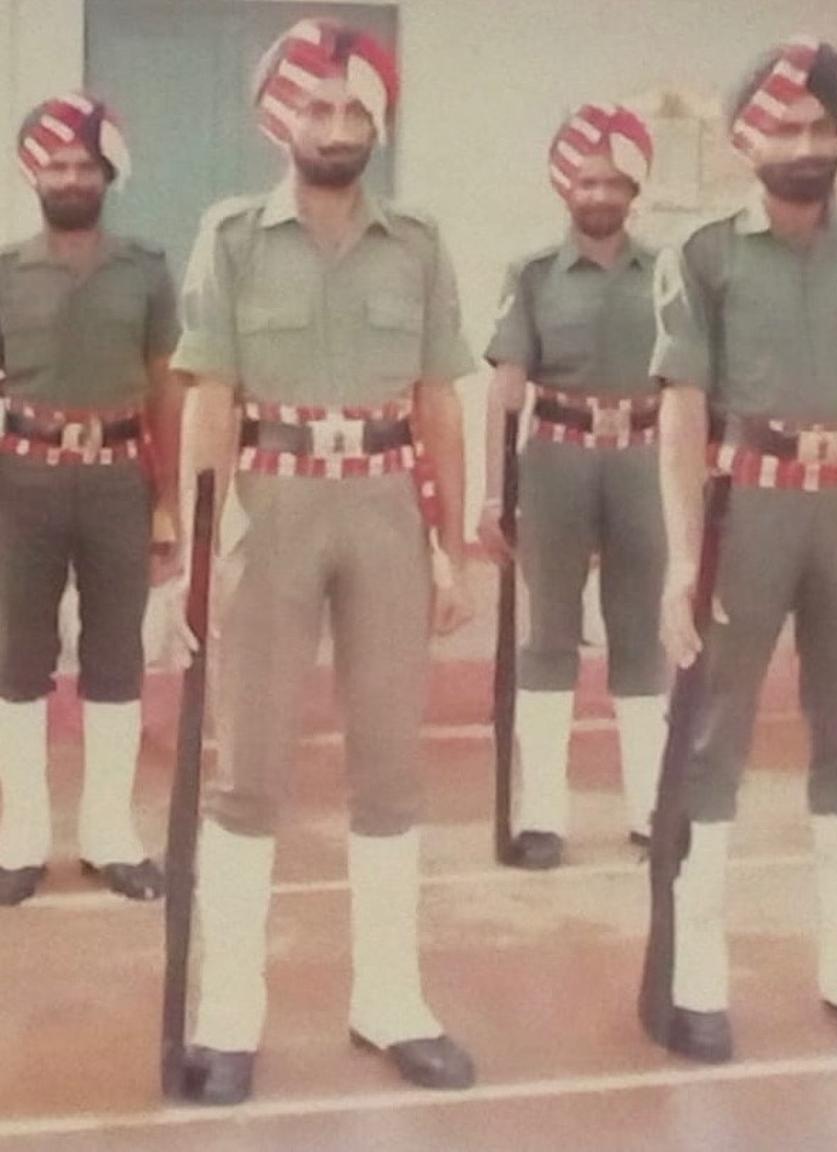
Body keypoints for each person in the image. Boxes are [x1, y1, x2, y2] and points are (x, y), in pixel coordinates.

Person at [171, 18, 476, 1105]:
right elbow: (210, 399)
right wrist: (196, 556)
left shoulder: (420, 243)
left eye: (355, 110)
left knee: (389, 767)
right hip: (272, 507)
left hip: (387, 509)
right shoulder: (232, 238)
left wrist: (454, 547)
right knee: (246, 772)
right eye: (318, 106)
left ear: (377, 125)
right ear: (281, 118)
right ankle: (228, 1017)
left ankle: (390, 1000)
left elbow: (440, 403)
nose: (337, 126)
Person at [652, 36, 837, 1062]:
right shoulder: (704, 255)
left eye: (824, 127)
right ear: (748, 140)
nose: (808, 145)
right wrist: (681, 556)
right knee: (714, 739)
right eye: (787, 127)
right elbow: (682, 410)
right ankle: (696, 981)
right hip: (748, 509)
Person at [0, 93, 182, 905]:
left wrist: (167, 500)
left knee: (116, 656)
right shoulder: (6, 272)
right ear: (34, 174)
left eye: (85, 166)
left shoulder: (145, 270)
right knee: (17, 659)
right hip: (22, 481)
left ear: (107, 176)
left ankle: (110, 837)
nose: (71, 178)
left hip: (118, 479)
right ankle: (19, 840)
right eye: (57, 166)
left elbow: (166, 388)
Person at [478, 105, 667, 870]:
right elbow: (505, 390)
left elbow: (692, 386)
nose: (599, 194)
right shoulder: (531, 275)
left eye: (614, 182)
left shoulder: (669, 275)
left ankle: (652, 810)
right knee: (549, 636)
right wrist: (494, 496)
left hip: (644, 459)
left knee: (642, 636)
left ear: (634, 190)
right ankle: (543, 818)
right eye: (586, 181)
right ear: (567, 188)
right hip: (556, 458)